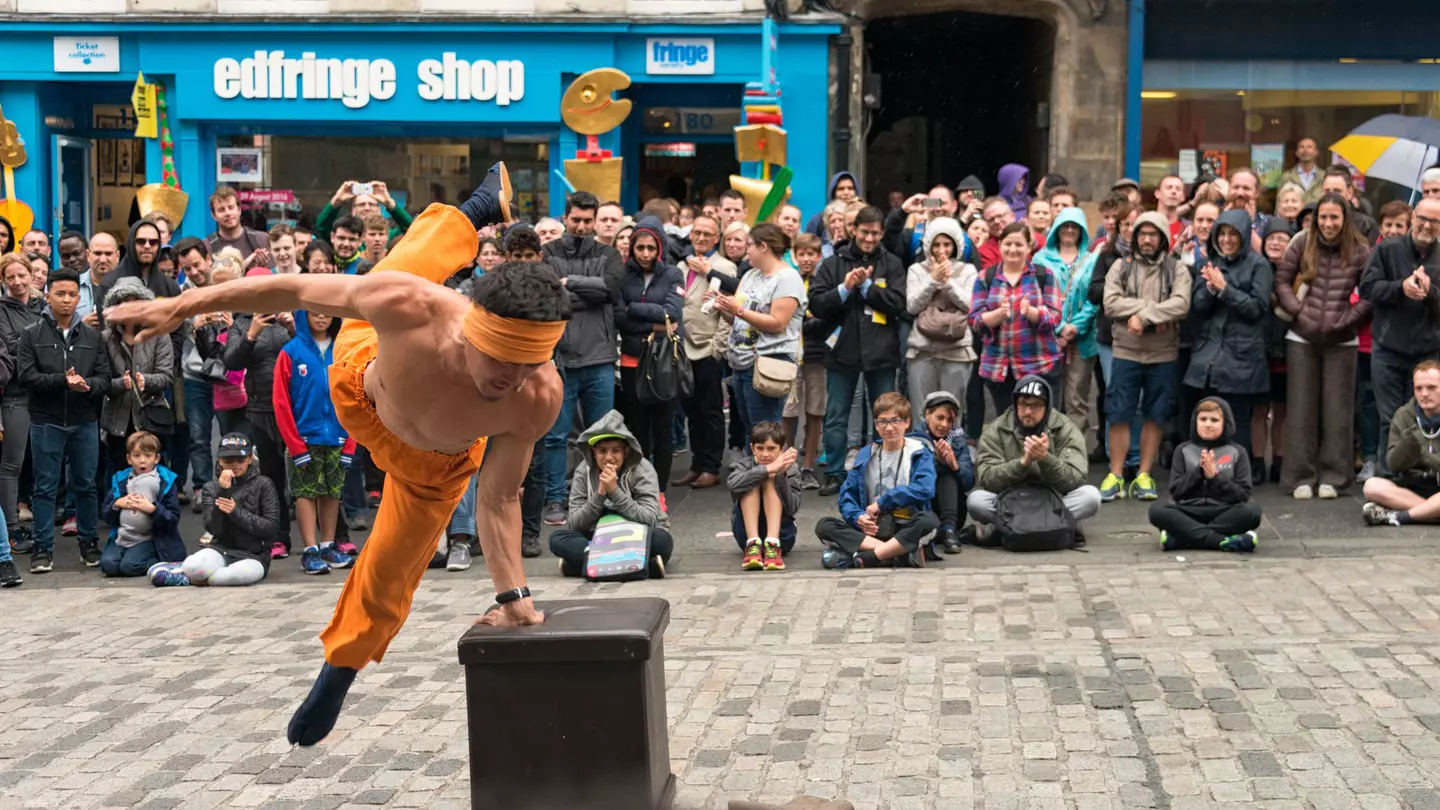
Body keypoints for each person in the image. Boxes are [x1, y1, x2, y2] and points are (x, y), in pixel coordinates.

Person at [107, 165, 564, 747]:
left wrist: (514, 599)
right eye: (503, 360)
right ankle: (475, 209)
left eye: (530, 365)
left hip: (435, 465)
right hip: (356, 385)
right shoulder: (414, 309)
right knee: (406, 265)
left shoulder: (537, 396)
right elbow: (291, 288)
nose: (514, 378)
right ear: (473, 331)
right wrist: (185, 305)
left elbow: (500, 497)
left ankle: (339, 669)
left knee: (390, 573)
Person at [1275, 193, 1371, 499]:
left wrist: (1348, 320)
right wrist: (1300, 312)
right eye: (1323, 217)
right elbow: (1280, 282)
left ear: (1345, 219)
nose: (1328, 223)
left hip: (1343, 340)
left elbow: (1369, 294)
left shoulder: (1360, 250)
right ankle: (1300, 477)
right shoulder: (1302, 243)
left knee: (1338, 411)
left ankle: (1335, 477)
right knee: (1301, 409)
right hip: (1301, 337)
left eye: (1335, 217)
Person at [809, 207, 907, 496]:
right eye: (865, 232)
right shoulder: (834, 262)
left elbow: (898, 303)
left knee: (886, 414)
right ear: (855, 230)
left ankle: (884, 470)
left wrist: (866, 288)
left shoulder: (891, 263)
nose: (869, 238)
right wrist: (844, 288)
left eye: (876, 233)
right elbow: (816, 304)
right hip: (842, 348)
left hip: (881, 350)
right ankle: (836, 473)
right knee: (837, 414)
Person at [540, 191, 623, 527]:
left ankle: (602, 494)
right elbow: (549, 296)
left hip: (600, 358)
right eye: (576, 219)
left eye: (588, 220)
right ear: (565, 217)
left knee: (602, 435)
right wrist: (588, 292)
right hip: (559, 358)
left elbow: (610, 291)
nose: (582, 226)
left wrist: (570, 282)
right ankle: (555, 499)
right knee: (556, 436)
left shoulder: (610, 253)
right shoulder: (546, 253)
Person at [19, 269, 111, 574]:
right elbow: (27, 377)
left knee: (85, 485)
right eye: (60, 294)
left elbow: (105, 379)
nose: (67, 300)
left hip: (85, 420)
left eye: (73, 294)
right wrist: (62, 381)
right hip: (46, 421)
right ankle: (43, 549)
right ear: (48, 296)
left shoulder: (93, 336)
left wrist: (88, 385)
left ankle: (88, 543)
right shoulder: (31, 334)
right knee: (45, 487)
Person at [1100, 211, 1193, 502]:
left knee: (1156, 414)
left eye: (1154, 234)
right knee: (1119, 413)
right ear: (1135, 237)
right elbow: (1110, 303)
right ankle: (1115, 474)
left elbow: (1181, 304)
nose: (1148, 239)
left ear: (1163, 238)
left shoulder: (1176, 269)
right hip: (1126, 351)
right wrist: (1149, 311)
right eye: (1143, 234)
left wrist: (1144, 317)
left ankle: (1143, 474)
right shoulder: (1120, 266)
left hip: (1163, 354)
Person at [273, 306, 361, 576]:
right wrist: (295, 445)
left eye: (326, 313)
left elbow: (356, 398)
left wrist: (350, 442)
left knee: (332, 492)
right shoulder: (290, 352)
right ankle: (310, 550)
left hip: (337, 436)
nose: (321, 317)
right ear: (303, 315)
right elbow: (281, 402)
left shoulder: (344, 350)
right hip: (304, 437)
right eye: (314, 313)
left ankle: (327, 545)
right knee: (305, 493)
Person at [1359, 197, 1440, 475]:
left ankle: (1421, 478)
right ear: (1412, 218)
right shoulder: (1387, 249)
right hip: (1388, 348)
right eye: (1422, 218)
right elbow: (1368, 289)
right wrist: (1400, 287)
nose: (1427, 225)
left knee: (1426, 417)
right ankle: (1388, 478)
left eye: (1434, 221)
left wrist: (1431, 294)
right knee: (1390, 418)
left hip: (1429, 352)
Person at [1184, 210, 1273, 460]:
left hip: (1242, 356)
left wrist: (1225, 290)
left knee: (1238, 420)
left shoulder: (1259, 265)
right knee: (1208, 417)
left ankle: (1238, 472)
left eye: (1232, 234)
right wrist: (1210, 290)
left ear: (1243, 236)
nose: (1226, 239)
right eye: (1221, 234)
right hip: (1210, 356)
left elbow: (1257, 308)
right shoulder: (1212, 262)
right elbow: (1198, 307)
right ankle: (1207, 471)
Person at [816, 392, 938, 569]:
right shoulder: (866, 453)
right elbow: (846, 495)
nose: (889, 428)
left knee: (929, 521)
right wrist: (858, 517)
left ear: (906, 422)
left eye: (895, 421)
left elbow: (925, 488)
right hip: (872, 531)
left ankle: (868, 557)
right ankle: (895, 553)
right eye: (883, 421)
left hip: (905, 528)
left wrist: (882, 504)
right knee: (824, 525)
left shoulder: (919, 451)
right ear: (876, 425)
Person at [967, 375, 1099, 538]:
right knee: (976, 501)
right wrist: (1022, 463)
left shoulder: (1065, 429)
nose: (1028, 411)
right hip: (1011, 500)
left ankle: (1005, 526)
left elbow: (1075, 478)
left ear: (1047, 406)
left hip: (1053, 500)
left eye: (1036, 405)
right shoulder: (995, 430)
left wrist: (1045, 460)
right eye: (1023, 404)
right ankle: (1060, 524)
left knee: (1091, 497)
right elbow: (987, 478)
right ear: (1015, 404)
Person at [549, 410, 672, 578]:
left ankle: (586, 564)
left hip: (635, 535)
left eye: (616, 450)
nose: (609, 457)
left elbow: (651, 518)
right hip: (598, 536)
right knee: (557, 538)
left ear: (626, 451)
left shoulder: (642, 469)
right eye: (602, 451)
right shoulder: (583, 471)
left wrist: (614, 491)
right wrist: (600, 494)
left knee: (662, 540)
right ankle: (640, 567)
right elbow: (575, 523)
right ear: (593, 452)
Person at [615, 217, 685, 504]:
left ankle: (659, 492)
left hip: (662, 364)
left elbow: (673, 313)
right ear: (632, 248)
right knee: (637, 429)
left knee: (663, 431)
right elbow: (619, 318)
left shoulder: (673, 275)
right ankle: (640, 488)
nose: (645, 254)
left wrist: (635, 310)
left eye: (650, 248)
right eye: (640, 248)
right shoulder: (621, 276)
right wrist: (654, 322)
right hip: (631, 363)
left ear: (660, 248)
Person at [151, 432, 280, 586]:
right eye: (228, 459)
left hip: (254, 555)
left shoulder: (264, 484)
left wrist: (236, 512)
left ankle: (188, 577)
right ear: (220, 460)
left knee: (228, 577)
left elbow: (271, 528)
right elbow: (214, 529)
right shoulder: (210, 488)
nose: (235, 464)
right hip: (220, 549)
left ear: (250, 459)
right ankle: (188, 570)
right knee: (195, 567)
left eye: (240, 459)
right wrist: (223, 491)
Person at [715, 223, 806, 436]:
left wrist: (738, 311)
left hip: (767, 363)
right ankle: (754, 469)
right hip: (740, 363)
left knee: (765, 432)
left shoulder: (788, 278)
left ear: (763, 247)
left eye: (749, 246)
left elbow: (778, 323)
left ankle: (771, 470)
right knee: (751, 430)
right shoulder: (750, 275)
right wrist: (723, 308)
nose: (747, 251)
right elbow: (739, 322)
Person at [225, 298, 296, 556]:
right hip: (260, 409)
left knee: (310, 475)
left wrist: (293, 329)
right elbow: (231, 361)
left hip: (298, 408)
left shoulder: (293, 316)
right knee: (272, 475)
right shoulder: (242, 323)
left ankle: (328, 539)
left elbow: (317, 349)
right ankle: (279, 537)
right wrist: (251, 334)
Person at [970, 222, 1063, 414]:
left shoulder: (1043, 275)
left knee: (1038, 423)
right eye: (1008, 244)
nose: (1013, 249)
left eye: (1019, 245)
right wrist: (996, 316)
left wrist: (1033, 313)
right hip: (999, 367)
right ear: (1000, 245)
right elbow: (974, 319)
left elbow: (1055, 317)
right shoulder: (985, 277)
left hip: (1038, 365)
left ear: (1029, 247)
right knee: (1006, 425)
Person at [673, 213, 737, 491]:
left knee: (710, 410)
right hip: (682, 347)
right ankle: (696, 464)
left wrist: (718, 348)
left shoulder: (724, 267)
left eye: (707, 234)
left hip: (707, 348)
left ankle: (711, 466)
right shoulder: (681, 265)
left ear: (716, 238)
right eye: (697, 232)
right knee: (690, 409)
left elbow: (726, 311)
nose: (701, 238)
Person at [1148, 397, 1261, 552]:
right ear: (1195, 422)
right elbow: (1177, 492)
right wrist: (1199, 471)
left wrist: (1215, 476)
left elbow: (1242, 495)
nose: (1208, 424)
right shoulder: (1182, 450)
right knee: (1157, 511)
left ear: (1225, 423)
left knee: (1252, 512)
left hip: (1224, 510)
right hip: (1189, 510)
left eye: (1214, 420)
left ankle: (1183, 539)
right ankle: (1221, 541)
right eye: (1203, 419)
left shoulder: (1237, 452)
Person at [905, 217, 976, 425]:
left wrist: (948, 282)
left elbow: (969, 305)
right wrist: (932, 280)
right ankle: (923, 455)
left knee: (952, 414)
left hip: (957, 351)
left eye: (946, 244)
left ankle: (951, 456)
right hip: (922, 350)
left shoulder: (967, 270)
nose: (941, 249)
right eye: (936, 244)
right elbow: (912, 306)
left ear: (955, 245)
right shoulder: (916, 270)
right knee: (921, 414)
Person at [1035, 208, 1099, 440]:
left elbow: (1095, 296)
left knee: (1076, 398)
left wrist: (1075, 328)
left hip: (1082, 340)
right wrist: (1060, 327)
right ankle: (1046, 448)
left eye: (1075, 226)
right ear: (1056, 229)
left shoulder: (1092, 260)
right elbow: (1036, 296)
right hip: (1046, 338)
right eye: (1065, 225)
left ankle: (1074, 451)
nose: (1070, 230)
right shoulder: (1040, 259)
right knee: (1047, 395)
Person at [99, 278, 175, 472]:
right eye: (124, 302)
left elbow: (166, 375)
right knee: (119, 473)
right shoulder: (106, 338)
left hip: (151, 416)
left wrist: (146, 381)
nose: (130, 307)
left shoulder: (159, 334)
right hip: (118, 418)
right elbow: (101, 380)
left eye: (136, 302)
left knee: (154, 472)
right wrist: (120, 384)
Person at [1362, 361, 1440, 526]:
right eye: (1419, 388)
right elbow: (1394, 466)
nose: (1424, 394)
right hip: (1413, 487)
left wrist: (1423, 452)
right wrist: (1407, 443)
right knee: (1372, 485)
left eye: (1432, 388)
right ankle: (1430, 513)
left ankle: (1400, 516)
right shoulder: (1404, 415)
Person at [98, 430, 184, 576]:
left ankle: (162, 559)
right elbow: (106, 514)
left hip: (151, 539)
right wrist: (117, 503)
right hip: (123, 537)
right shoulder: (120, 480)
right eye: (136, 456)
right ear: (129, 459)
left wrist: (152, 509)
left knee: (130, 566)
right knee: (108, 565)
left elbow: (173, 518)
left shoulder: (165, 481)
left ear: (157, 458)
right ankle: (127, 554)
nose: (142, 460)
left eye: (148, 456)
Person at [0, 255, 38, 550]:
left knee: (40, 465)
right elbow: (10, 349)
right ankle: (12, 529)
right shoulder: (1, 311)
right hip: (15, 397)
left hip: (43, 395)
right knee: (11, 464)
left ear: (31, 275)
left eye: (21, 275)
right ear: (3, 281)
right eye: (10, 277)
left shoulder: (44, 308)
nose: (17, 281)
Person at [784, 233, 828, 489]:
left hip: (816, 355)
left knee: (815, 411)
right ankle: (788, 465)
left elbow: (825, 315)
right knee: (788, 413)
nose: (806, 259)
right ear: (794, 255)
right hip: (790, 354)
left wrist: (808, 319)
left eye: (811, 254)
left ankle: (808, 466)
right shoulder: (788, 280)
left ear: (819, 256)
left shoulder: (822, 281)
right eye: (801, 254)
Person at [727, 420, 800, 571]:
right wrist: (765, 470)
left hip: (782, 535)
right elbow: (732, 486)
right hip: (746, 535)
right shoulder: (744, 464)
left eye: (771, 448)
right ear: (752, 448)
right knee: (754, 478)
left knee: (770, 479)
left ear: (782, 449)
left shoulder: (791, 468)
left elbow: (792, 507)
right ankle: (753, 545)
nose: (765, 454)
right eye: (760, 448)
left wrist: (779, 475)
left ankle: (772, 546)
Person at [910, 391, 973, 556]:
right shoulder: (914, 441)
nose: (945, 425)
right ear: (927, 414)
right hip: (924, 508)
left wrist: (954, 465)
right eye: (940, 417)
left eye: (950, 420)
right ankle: (936, 532)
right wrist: (936, 462)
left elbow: (969, 482)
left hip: (952, 510)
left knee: (948, 475)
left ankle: (949, 531)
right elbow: (915, 481)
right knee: (940, 471)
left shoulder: (958, 440)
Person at [101, 219, 181, 305]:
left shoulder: (170, 287)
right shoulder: (109, 284)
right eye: (141, 241)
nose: (147, 246)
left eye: (153, 242)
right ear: (131, 243)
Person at [886, 184, 960, 267]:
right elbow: (889, 242)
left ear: (954, 205)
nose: (938, 208)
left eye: (942, 203)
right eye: (933, 203)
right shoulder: (912, 237)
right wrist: (903, 211)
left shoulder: (966, 242)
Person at [316, 180, 413, 242]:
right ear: (353, 210)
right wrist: (337, 200)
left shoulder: (388, 235)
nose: (367, 208)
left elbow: (413, 229)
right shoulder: (347, 238)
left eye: (371, 204)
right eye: (362, 205)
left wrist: (389, 203)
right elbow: (322, 227)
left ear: (379, 210)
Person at [206, 187, 270, 264]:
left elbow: (277, 273)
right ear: (214, 216)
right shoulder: (207, 247)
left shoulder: (262, 239)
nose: (227, 213)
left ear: (239, 210)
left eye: (231, 207)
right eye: (221, 210)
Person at [1320, 167, 1378, 243]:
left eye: (1337, 191)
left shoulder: (1365, 225)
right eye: (1327, 191)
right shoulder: (1313, 221)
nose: (1332, 195)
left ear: (1350, 193)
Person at [805, 171, 860, 236]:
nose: (846, 192)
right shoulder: (818, 221)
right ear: (833, 192)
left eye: (850, 188)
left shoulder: (862, 217)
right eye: (841, 189)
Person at [1279, 137, 1326, 205]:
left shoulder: (1324, 176)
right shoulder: (1287, 176)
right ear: (1296, 153)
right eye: (1301, 147)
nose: (1305, 150)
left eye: (1309, 147)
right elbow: (1279, 203)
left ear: (1316, 152)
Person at [976, 197, 1016, 269]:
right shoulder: (984, 251)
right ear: (987, 225)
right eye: (991, 219)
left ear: (1012, 216)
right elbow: (991, 277)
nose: (996, 221)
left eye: (1000, 216)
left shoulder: (1031, 239)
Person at [1154, 175, 1189, 242]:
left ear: (1183, 197)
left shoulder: (1188, 230)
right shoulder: (1145, 224)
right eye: (1169, 188)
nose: (1173, 191)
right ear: (1157, 193)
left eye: (1178, 189)